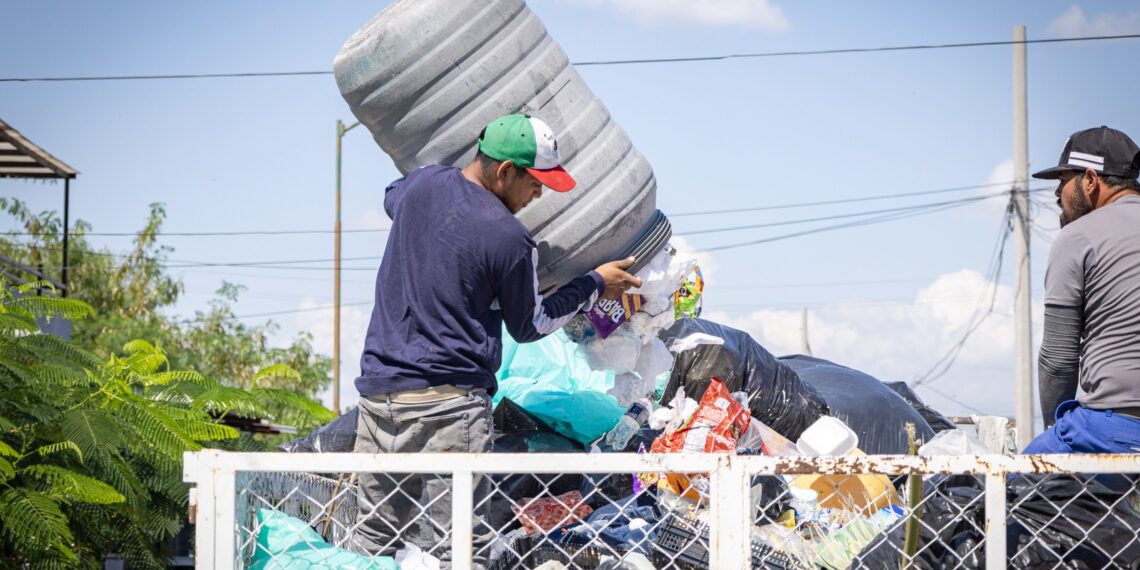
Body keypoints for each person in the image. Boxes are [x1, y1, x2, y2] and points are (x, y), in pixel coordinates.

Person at [349, 113, 642, 565]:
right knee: (457, 546)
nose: (538, 195)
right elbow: (532, 324)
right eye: (535, 183)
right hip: (449, 408)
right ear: (505, 171)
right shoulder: (509, 238)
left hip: (380, 400)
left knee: (372, 537)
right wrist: (594, 284)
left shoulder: (421, 186)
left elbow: (392, 195)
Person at [1023, 126, 1140, 454]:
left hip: (1117, 427)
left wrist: (1055, 430)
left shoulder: (1077, 236)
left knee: (1009, 480)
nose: (1057, 193)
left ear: (1090, 180)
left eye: (1063, 180)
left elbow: (1058, 360)